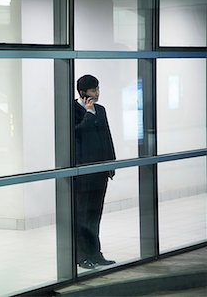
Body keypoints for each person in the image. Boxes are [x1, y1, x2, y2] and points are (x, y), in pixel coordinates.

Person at [74, 74, 116, 269]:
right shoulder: (73, 110)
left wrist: (111, 164)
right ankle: (81, 256)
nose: (97, 93)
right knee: (82, 214)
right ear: (83, 93)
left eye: (98, 89)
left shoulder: (101, 110)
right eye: (93, 90)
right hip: (83, 173)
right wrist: (88, 114)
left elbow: (106, 136)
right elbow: (77, 133)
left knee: (95, 215)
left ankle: (96, 253)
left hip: (100, 171)